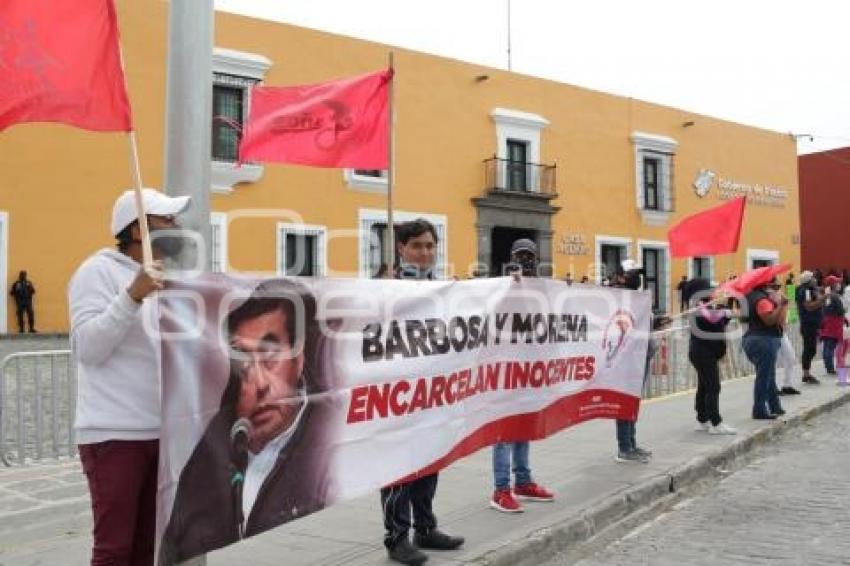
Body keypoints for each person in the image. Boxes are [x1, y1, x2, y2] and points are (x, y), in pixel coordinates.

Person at [159, 279, 334, 565]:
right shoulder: (211, 449)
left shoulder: (331, 438)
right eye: (244, 363)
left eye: (269, 356)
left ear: (298, 356)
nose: (259, 384)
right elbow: (177, 542)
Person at [69, 188, 191, 565]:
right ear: (138, 230)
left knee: (143, 548)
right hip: (113, 433)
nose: (177, 227)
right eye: (167, 220)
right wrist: (131, 297)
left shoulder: (165, 278)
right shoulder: (96, 272)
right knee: (114, 549)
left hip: (159, 432)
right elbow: (87, 347)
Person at [380, 218, 464, 566]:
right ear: (401, 248)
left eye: (430, 246)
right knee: (398, 469)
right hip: (396, 395)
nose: (425, 253)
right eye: (417, 246)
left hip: (432, 394)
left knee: (430, 460)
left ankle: (425, 528)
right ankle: (396, 538)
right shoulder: (381, 287)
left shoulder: (442, 288)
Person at [489, 239, 555, 513]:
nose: (526, 260)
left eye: (530, 256)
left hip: (529, 368)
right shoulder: (500, 284)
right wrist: (508, 283)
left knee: (523, 426)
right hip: (504, 367)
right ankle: (501, 489)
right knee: (503, 430)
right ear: (512, 257)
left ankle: (523, 481)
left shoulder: (542, 288)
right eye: (521, 256)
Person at [611, 259, 668, 462]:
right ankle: (624, 448)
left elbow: (642, 324)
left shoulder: (637, 298)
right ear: (619, 276)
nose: (636, 279)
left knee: (633, 402)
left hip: (641, 355)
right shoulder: (616, 298)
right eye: (631, 274)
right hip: (626, 359)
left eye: (638, 274)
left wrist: (657, 322)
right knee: (625, 401)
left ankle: (631, 443)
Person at [686, 278, 736, 434]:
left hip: (706, 352)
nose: (713, 292)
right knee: (713, 386)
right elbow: (712, 319)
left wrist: (725, 310)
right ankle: (716, 423)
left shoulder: (707, 306)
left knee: (704, 386)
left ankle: (702, 419)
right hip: (702, 352)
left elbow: (718, 323)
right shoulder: (698, 307)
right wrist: (724, 312)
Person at [742, 277, 786, 420]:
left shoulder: (748, 297)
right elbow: (769, 321)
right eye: (771, 284)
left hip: (753, 338)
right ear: (764, 285)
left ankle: (775, 406)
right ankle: (759, 410)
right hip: (763, 340)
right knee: (764, 377)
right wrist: (780, 305)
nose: (773, 287)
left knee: (768, 375)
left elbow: (744, 318)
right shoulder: (762, 300)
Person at [795, 271, 826, 384]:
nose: (815, 280)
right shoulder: (806, 291)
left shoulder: (809, 290)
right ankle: (806, 374)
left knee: (811, 348)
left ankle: (806, 373)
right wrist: (822, 299)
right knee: (809, 348)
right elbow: (809, 307)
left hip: (812, 324)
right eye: (813, 278)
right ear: (808, 280)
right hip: (808, 324)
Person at [819, 274, 845, 376]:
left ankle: (828, 366)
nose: (839, 284)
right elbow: (840, 310)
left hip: (827, 322)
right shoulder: (834, 296)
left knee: (827, 345)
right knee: (830, 345)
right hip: (834, 323)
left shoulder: (827, 293)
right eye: (837, 282)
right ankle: (830, 368)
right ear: (833, 284)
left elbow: (826, 308)